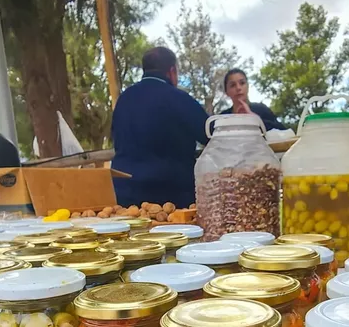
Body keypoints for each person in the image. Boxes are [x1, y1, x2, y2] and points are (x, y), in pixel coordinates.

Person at [111, 46, 209, 209]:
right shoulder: (178, 99)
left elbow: (117, 138)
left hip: (125, 194)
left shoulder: (124, 99)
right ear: (171, 71)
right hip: (171, 198)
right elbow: (209, 135)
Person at [219, 69, 286, 131]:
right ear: (226, 92)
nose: (238, 88)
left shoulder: (262, 109)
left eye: (242, 83)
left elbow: (283, 132)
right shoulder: (223, 117)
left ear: (248, 86)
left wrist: (255, 119)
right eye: (233, 85)